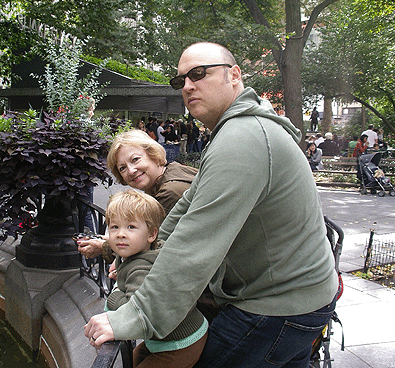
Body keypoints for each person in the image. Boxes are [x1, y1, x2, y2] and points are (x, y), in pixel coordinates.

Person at [84, 42, 338, 368]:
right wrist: (142, 256)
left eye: (199, 74)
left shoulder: (242, 138)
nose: (188, 86)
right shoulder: (235, 132)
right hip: (301, 299)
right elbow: (181, 215)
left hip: (278, 307)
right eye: (180, 81)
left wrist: (133, 316)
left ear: (234, 75)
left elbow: (194, 243)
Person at [95, 189, 208, 368]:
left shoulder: (142, 268)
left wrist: (115, 293)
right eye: (114, 227)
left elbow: (132, 309)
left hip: (178, 345)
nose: (120, 234)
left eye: (131, 227)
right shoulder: (145, 250)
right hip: (165, 338)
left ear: (151, 234)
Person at [76, 129, 198, 260]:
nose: (131, 170)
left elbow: (153, 250)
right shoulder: (174, 169)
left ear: (154, 155)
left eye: (135, 159)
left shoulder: (169, 193)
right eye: (122, 168)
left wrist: (104, 247)